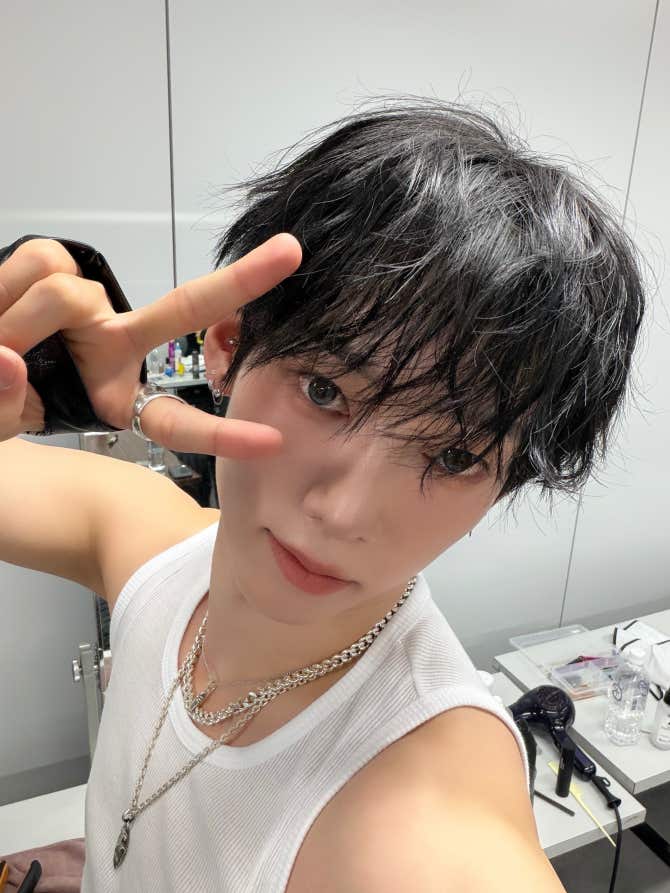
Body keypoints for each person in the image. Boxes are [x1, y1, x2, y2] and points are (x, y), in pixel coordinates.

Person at [0, 99, 645, 892]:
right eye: (325, 390)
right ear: (228, 346)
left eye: (452, 454)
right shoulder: (151, 545)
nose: (344, 512)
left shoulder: (429, 829)